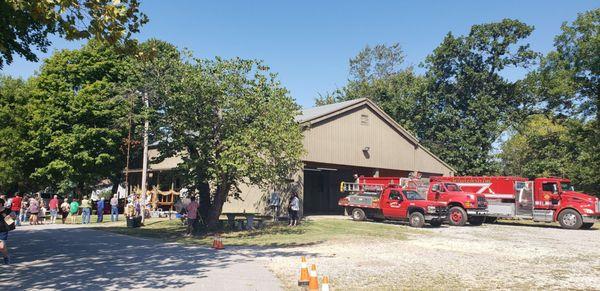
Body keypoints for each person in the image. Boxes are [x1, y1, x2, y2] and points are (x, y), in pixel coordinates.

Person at [0, 198, 17, 264]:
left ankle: (6, 257)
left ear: (1, 204)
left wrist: (7, 216)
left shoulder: (7, 210)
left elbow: (13, 219)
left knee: (1, 247)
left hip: (3, 230)